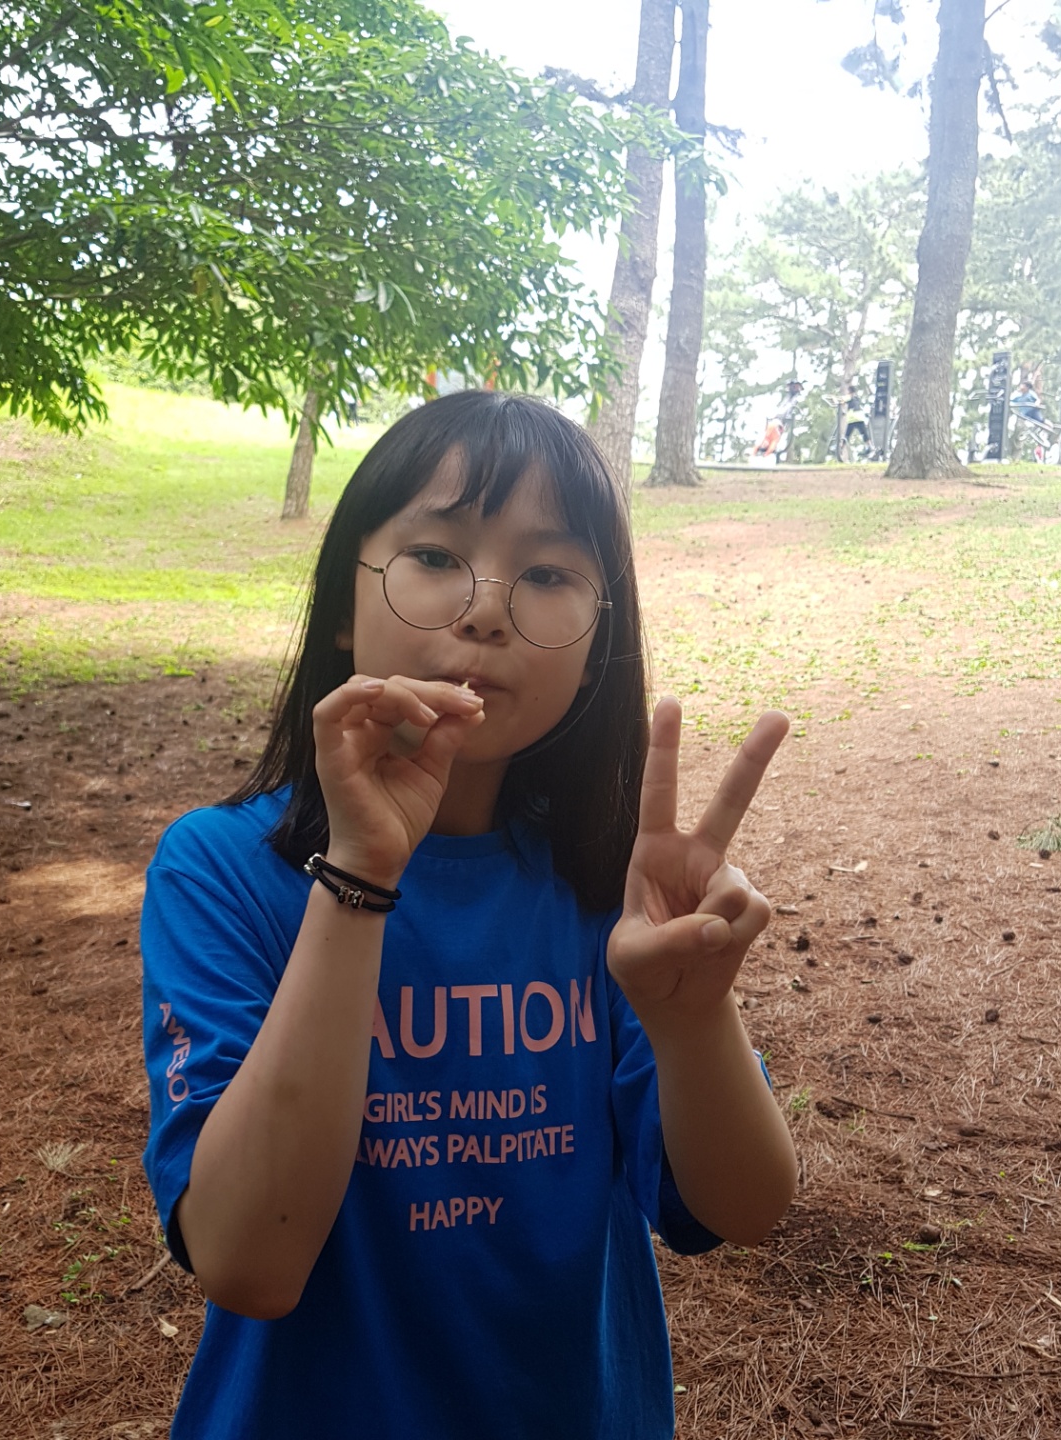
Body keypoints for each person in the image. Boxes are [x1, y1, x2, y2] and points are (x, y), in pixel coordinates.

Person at [140, 391, 798, 1440]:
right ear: (345, 601)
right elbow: (247, 1261)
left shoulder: (605, 890)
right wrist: (360, 873)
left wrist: (691, 1021)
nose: (487, 609)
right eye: (437, 555)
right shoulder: (221, 871)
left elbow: (745, 1207)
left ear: (597, 641)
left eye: (548, 574)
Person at [753, 379, 804, 458]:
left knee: (785, 407)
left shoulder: (765, 438)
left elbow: (758, 445)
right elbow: (771, 446)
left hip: (778, 420)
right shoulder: (772, 440)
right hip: (779, 421)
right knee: (786, 407)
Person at [842, 380, 870, 454]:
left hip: (852, 419)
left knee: (847, 435)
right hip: (860, 418)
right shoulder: (857, 398)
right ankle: (869, 446)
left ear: (849, 391)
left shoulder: (849, 397)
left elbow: (842, 400)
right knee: (864, 433)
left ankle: (841, 447)